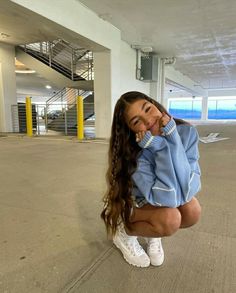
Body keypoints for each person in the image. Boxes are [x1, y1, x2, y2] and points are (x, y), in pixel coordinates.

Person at [101, 91, 201, 268]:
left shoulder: (186, 133)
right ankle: (125, 232)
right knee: (170, 219)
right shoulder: (135, 153)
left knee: (192, 211)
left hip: (166, 196)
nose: (147, 121)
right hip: (138, 201)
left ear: (155, 105)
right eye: (136, 121)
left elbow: (188, 188)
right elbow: (165, 197)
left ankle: (153, 231)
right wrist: (160, 148)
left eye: (148, 109)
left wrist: (173, 139)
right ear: (130, 129)